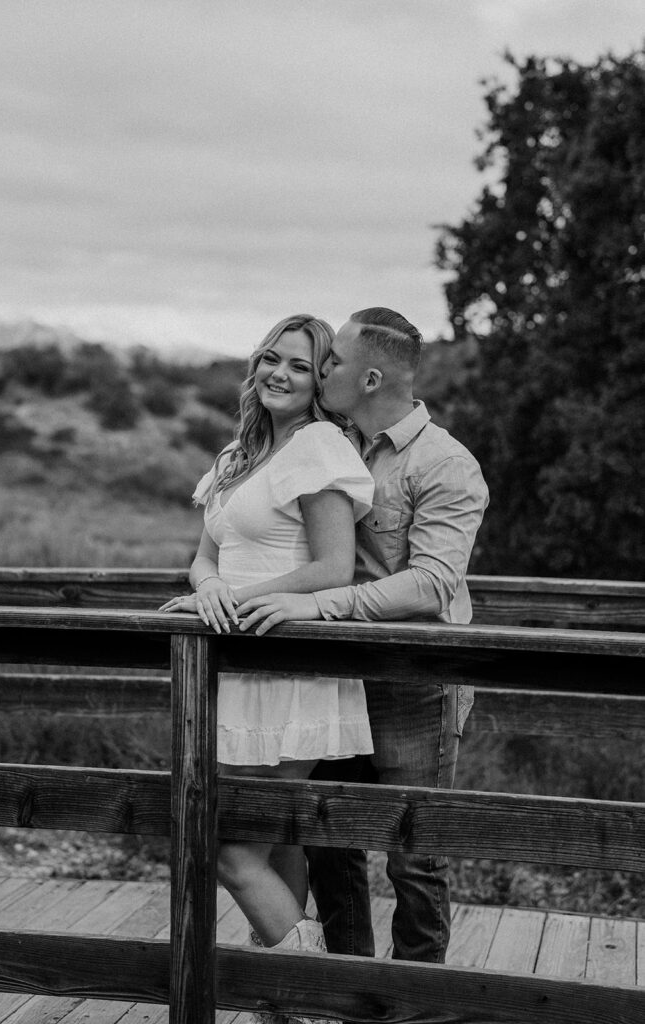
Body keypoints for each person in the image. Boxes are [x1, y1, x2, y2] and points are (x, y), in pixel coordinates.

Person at [237, 307, 489, 966]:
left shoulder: (445, 463)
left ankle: (415, 1006)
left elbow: (431, 584)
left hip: (413, 682)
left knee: (415, 857)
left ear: (371, 376)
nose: (323, 370)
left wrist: (322, 604)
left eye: (334, 362)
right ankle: (345, 993)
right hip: (338, 675)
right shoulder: (330, 443)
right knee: (327, 842)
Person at [159, 314, 375, 1006]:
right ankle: (284, 1003)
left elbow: (333, 567)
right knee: (276, 845)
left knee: (227, 847)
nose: (279, 373)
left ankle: (312, 997)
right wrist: (209, 589)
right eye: (271, 359)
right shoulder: (237, 455)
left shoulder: (317, 445)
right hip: (235, 669)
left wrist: (241, 597)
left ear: (320, 384)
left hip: (291, 671)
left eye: (301, 366)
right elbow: (205, 555)